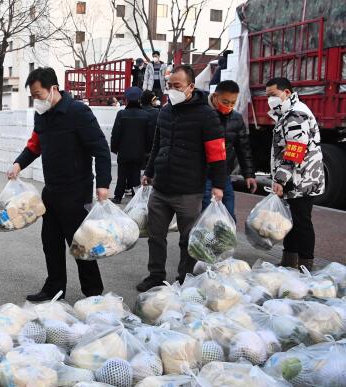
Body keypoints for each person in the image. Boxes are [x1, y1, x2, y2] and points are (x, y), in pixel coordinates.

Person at [9, 67, 112, 301]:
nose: (36, 99)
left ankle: (93, 293)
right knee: (50, 243)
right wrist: (18, 164)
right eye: (32, 95)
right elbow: (35, 145)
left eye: (38, 94)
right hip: (52, 190)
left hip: (77, 191)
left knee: (81, 244)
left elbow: (100, 148)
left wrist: (103, 184)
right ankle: (54, 288)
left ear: (53, 89)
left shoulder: (78, 112)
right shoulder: (42, 115)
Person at [138, 65, 228, 291]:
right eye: (169, 86)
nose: (171, 90)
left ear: (191, 86)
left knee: (188, 238)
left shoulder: (207, 115)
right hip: (161, 187)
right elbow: (158, 144)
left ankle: (184, 278)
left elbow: (217, 152)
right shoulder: (166, 111)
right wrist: (149, 172)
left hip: (189, 190)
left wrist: (218, 185)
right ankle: (155, 275)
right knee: (155, 235)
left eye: (177, 86)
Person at [266, 77, 325, 271]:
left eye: (273, 95)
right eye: (268, 96)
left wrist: (281, 179)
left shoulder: (295, 114)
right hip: (296, 177)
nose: (270, 99)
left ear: (287, 93)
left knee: (301, 222)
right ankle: (289, 261)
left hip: (302, 178)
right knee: (289, 220)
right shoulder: (287, 112)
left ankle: (305, 264)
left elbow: (295, 149)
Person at [202, 80, 258, 218]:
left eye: (233, 103)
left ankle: (226, 239)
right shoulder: (202, 114)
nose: (229, 106)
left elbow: (243, 148)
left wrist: (249, 174)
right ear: (215, 97)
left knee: (229, 215)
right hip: (202, 176)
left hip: (224, 174)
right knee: (207, 216)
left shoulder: (237, 119)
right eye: (225, 102)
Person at [110, 87, 152, 204]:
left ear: (127, 100)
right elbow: (149, 136)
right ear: (139, 99)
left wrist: (114, 148)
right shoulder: (146, 115)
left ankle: (118, 196)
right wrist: (148, 150)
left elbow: (116, 133)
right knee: (135, 174)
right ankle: (135, 197)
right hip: (139, 151)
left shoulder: (121, 114)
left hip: (123, 151)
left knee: (122, 175)